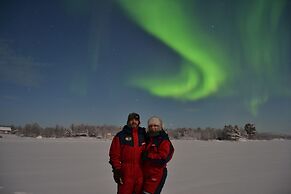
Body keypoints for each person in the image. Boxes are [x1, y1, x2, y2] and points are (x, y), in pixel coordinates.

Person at [109, 112, 146, 194]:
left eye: (136, 120)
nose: (134, 122)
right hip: (126, 172)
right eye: (131, 120)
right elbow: (114, 155)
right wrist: (117, 170)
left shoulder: (144, 135)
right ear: (128, 121)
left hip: (141, 171)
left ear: (139, 122)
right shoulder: (120, 136)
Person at [142, 116, 174, 194]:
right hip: (146, 173)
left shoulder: (163, 140)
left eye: (155, 125)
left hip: (157, 173)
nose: (153, 128)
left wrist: (148, 156)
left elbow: (162, 158)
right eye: (151, 126)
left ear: (160, 127)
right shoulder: (149, 138)